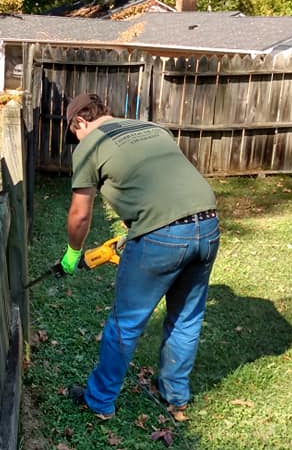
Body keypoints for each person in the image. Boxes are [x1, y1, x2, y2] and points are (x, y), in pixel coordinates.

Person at [60, 92, 220, 421]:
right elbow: (161, 183)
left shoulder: (90, 144)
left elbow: (79, 216)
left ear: (80, 121)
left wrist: (73, 253)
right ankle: (175, 397)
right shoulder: (151, 127)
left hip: (162, 237)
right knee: (186, 318)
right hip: (207, 223)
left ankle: (100, 402)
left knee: (126, 323)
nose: (76, 141)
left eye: (73, 134)